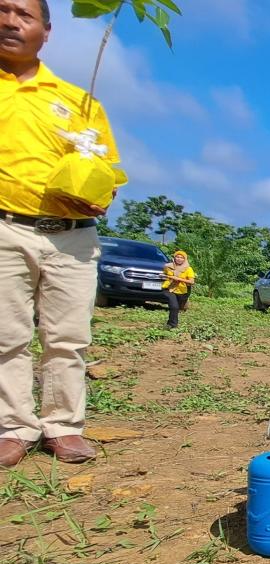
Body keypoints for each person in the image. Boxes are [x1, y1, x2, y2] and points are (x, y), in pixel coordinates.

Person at [0, 0, 123, 467]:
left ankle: (63, 426)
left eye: (24, 15)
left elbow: (105, 171)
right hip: (6, 227)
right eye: (3, 10)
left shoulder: (79, 100)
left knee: (68, 337)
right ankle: (13, 428)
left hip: (71, 236)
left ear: (46, 31)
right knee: (5, 336)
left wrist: (99, 196)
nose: (11, 22)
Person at [161, 250, 196, 329]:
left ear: (185, 259)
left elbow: (191, 281)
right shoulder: (168, 266)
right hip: (169, 288)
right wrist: (164, 277)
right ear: (174, 257)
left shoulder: (188, 269)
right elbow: (165, 274)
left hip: (183, 290)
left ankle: (171, 321)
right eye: (177, 257)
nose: (179, 259)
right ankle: (172, 325)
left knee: (180, 307)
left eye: (181, 257)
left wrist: (177, 278)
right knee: (174, 306)